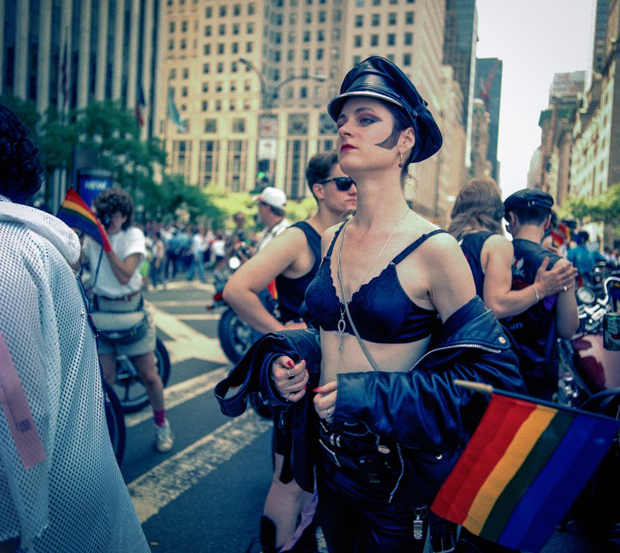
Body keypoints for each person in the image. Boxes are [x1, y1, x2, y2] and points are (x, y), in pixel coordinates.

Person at [264, 57, 525, 552]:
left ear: (404, 142)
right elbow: (334, 337)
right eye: (343, 119)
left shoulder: (436, 250)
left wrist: (370, 394)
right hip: (327, 462)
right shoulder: (330, 239)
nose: (345, 128)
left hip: (396, 481)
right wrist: (292, 362)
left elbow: (488, 381)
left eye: (367, 119)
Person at [0, 103, 150, 552]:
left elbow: (19, 407)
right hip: (59, 473)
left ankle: (159, 418)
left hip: (45, 498)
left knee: (149, 377)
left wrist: (14, 520)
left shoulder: (7, 249)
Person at [223, 151, 357, 552]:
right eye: (343, 182)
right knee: (290, 481)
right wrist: (281, 331)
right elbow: (237, 289)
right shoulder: (299, 237)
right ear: (319, 190)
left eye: (356, 182)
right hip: (301, 382)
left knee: (328, 483)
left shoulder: (353, 235)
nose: (353, 189)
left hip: (341, 384)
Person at [81, 188, 174, 453]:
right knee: (105, 381)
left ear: (125, 216)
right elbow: (76, 265)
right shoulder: (92, 237)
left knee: (150, 376)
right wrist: (78, 238)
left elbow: (124, 275)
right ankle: (107, 435)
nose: (111, 219)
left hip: (131, 312)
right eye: (106, 214)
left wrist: (106, 244)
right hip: (102, 314)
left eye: (116, 215)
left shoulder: (133, 236)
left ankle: (161, 424)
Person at [448, 178, 576, 319]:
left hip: (441, 336)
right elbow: (496, 306)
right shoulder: (495, 243)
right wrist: (541, 288)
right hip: (472, 337)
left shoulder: (447, 241)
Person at [502, 189, 579, 401]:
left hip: (496, 368)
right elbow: (568, 329)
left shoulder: (492, 256)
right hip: (538, 374)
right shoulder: (559, 266)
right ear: (547, 222)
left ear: (511, 219)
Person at [253, 186, 290, 253]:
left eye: (259, 206)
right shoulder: (268, 230)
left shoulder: (285, 234)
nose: (258, 211)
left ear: (267, 208)